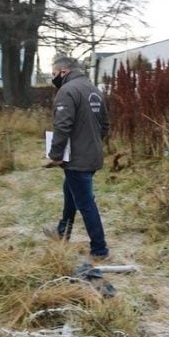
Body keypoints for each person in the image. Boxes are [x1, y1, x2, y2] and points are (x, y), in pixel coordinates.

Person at [43, 56, 111, 261]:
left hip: (77, 159)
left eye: (54, 74)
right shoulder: (94, 90)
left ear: (63, 72)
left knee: (85, 202)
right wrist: (91, 143)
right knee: (70, 192)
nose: (53, 78)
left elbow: (62, 126)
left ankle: (99, 249)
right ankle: (62, 233)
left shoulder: (68, 90)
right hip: (91, 156)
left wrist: (55, 156)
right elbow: (105, 125)